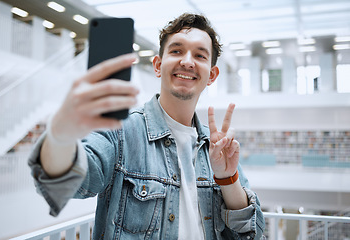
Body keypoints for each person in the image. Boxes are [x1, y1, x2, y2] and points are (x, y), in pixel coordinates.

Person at [28, 13, 265, 239]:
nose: (187, 61)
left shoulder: (215, 146)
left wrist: (227, 178)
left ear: (212, 75)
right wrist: (60, 133)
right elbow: (63, 185)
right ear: (157, 65)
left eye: (200, 55)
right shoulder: (121, 131)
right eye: (177, 50)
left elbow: (252, 231)